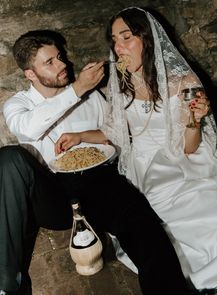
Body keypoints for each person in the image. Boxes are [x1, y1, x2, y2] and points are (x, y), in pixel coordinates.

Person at [0, 29, 198, 295]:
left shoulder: (92, 96)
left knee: (141, 223)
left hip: (98, 181)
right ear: (30, 74)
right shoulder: (18, 104)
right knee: (8, 159)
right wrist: (78, 88)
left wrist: (88, 135)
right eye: (50, 62)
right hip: (52, 193)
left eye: (60, 57)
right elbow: (28, 127)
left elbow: (114, 134)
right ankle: (6, 285)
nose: (63, 65)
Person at [55, 7, 217, 295]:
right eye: (114, 40)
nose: (118, 47)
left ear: (147, 39)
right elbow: (113, 132)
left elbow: (190, 147)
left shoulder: (183, 84)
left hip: (182, 156)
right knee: (153, 228)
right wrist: (79, 136)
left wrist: (195, 121)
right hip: (143, 164)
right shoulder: (121, 85)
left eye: (126, 37)